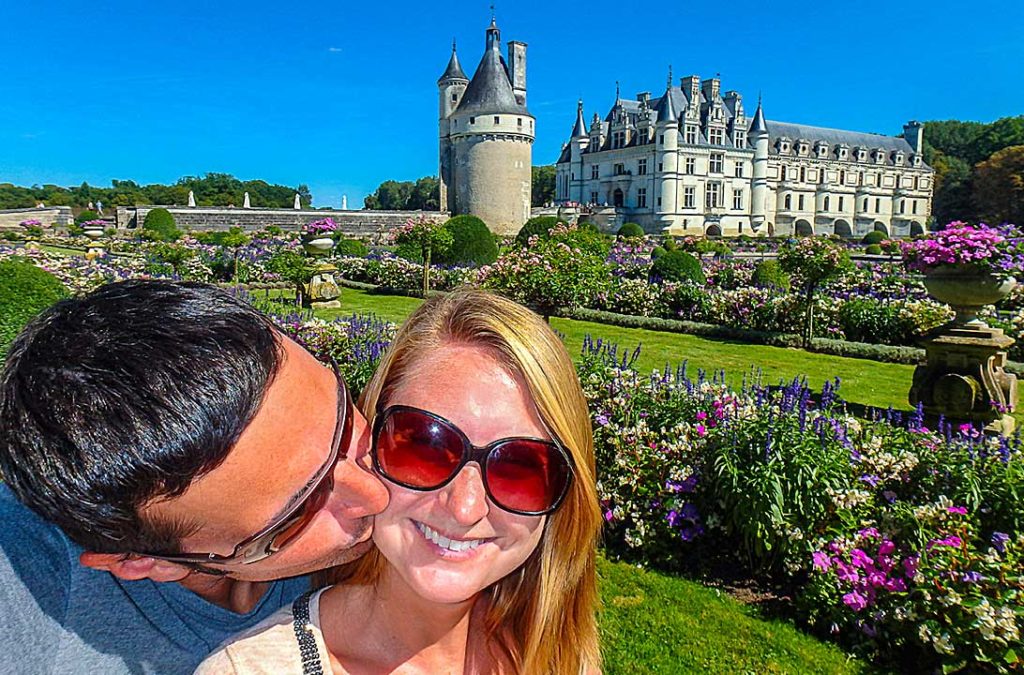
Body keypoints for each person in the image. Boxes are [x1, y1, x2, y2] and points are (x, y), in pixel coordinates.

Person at [198, 289, 603, 674]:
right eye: (424, 447)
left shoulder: (559, 656)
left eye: (519, 468)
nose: (464, 509)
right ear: (369, 444)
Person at [0, 280, 390, 674]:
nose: (378, 494)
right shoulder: (23, 593)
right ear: (143, 563)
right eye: (300, 514)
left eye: (341, 419)